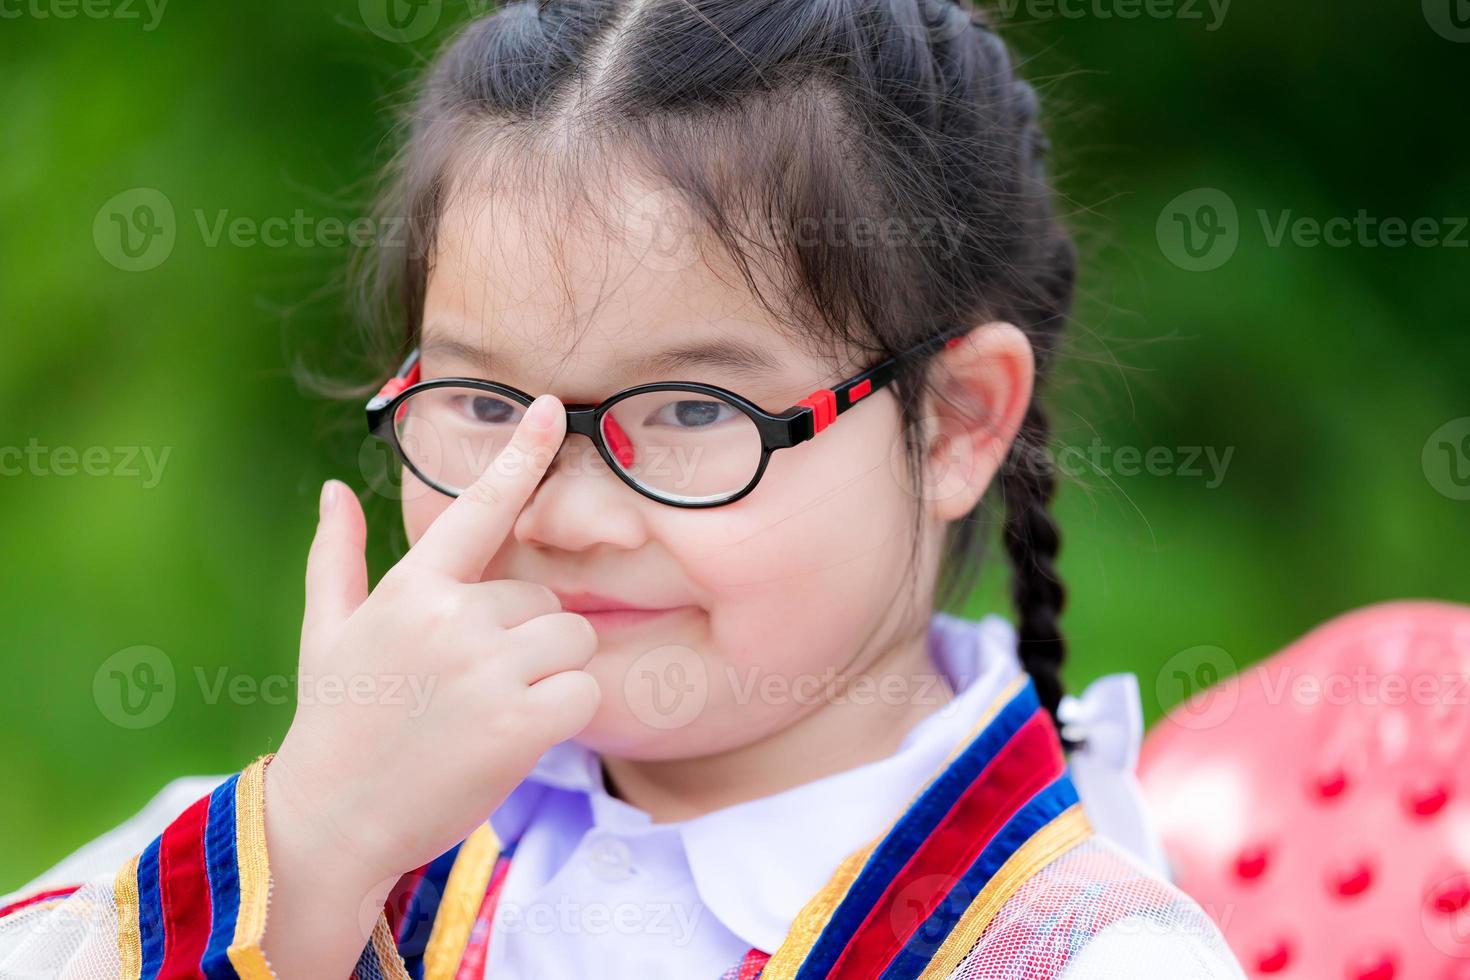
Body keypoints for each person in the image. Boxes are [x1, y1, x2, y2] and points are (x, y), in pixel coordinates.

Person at [0, 1, 1248, 976]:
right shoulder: (329, 837)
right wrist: (311, 857)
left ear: (960, 418)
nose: (564, 513)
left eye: (696, 410)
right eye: (488, 405)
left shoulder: (1085, 951)